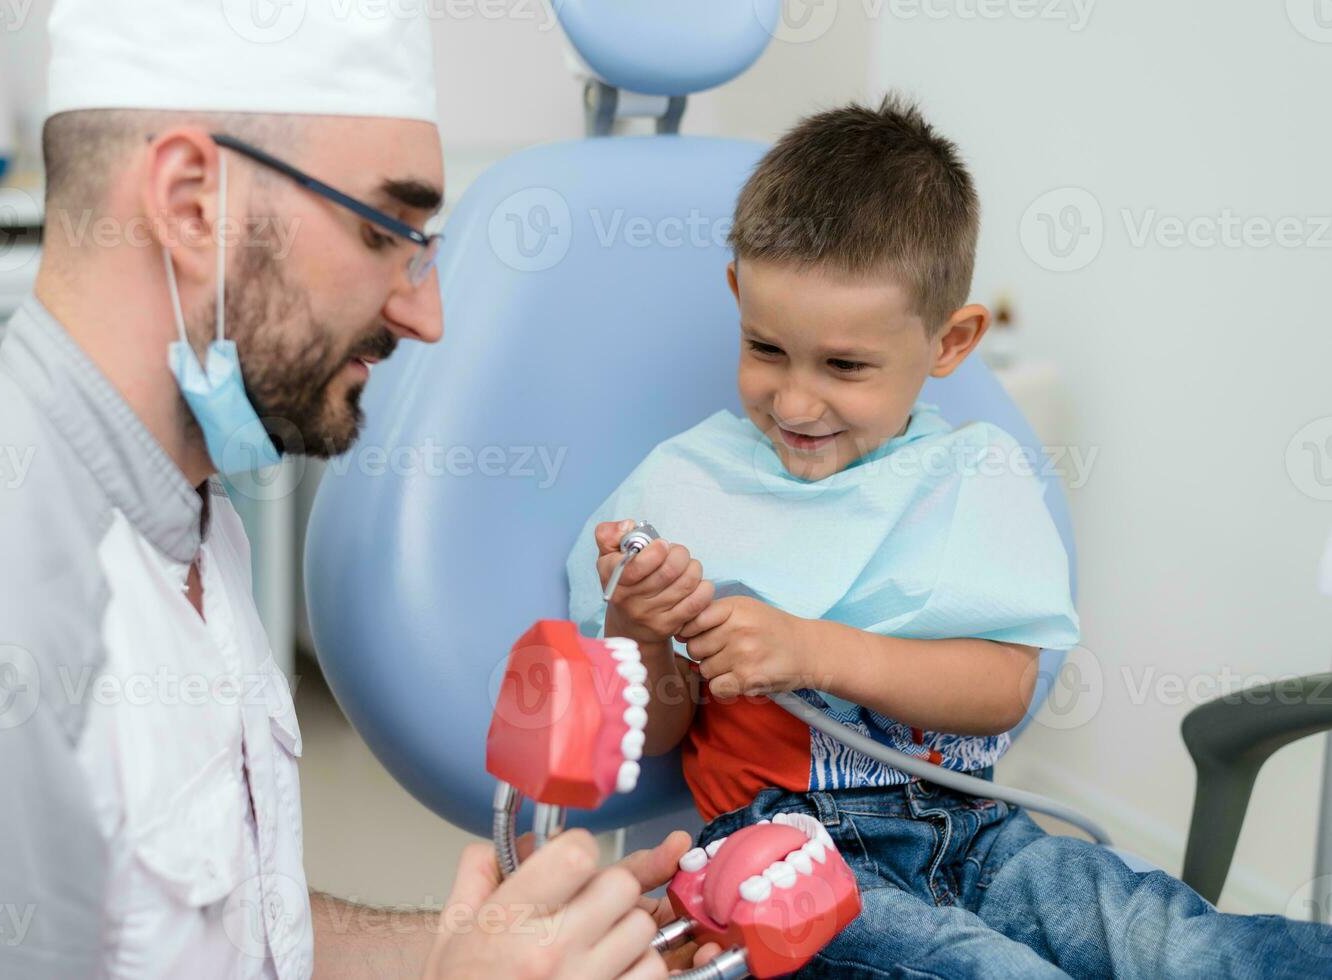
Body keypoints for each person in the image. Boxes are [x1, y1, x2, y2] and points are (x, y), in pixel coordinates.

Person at [0, 2, 699, 978]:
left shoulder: (181, 501)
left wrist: (482, 952)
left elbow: (201, 928)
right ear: (191, 204)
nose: (425, 313)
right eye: (389, 227)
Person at [568, 96, 1332, 977]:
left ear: (952, 341)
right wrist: (639, 624)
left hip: (980, 834)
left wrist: (811, 649)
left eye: (845, 366)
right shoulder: (685, 488)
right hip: (789, 865)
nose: (794, 402)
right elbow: (655, 737)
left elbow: (1003, 688)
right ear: (738, 295)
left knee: (1177, 944)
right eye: (766, 349)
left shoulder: (976, 479)